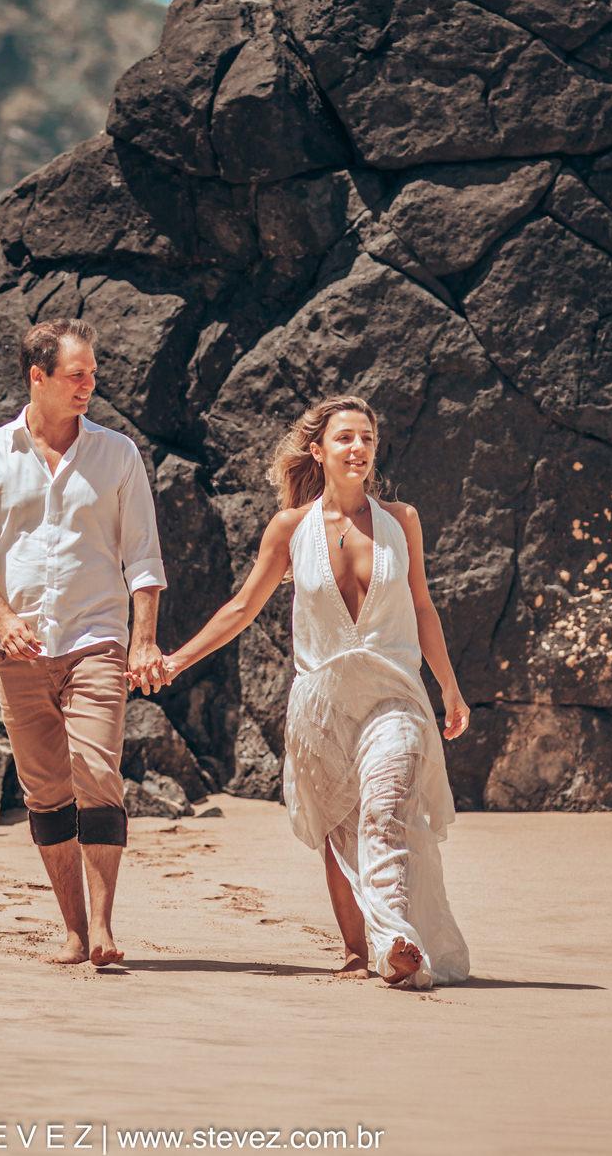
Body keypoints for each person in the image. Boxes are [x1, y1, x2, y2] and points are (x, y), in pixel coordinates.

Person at [158, 394, 470, 988]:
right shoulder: (290, 528)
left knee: (384, 810)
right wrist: (177, 661)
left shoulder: (402, 521)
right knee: (340, 822)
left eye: (368, 440)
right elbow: (243, 607)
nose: (359, 449)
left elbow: (423, 608)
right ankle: (361, 951)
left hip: (394, 694)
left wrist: (449, 690)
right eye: (346, 438)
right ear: (318, 450)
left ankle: (395, 938)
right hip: (322, 703)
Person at [0, 318, 167, 967]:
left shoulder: (118, 454)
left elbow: (144, 557)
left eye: (93, 374)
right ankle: (73, 930)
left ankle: (103, 926)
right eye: (77, 374)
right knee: (45, 790)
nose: (89, 385)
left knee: (98, 772)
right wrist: (3, 617)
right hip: (15, 651)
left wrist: (143, 643)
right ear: (37, 377)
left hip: (97, 640)